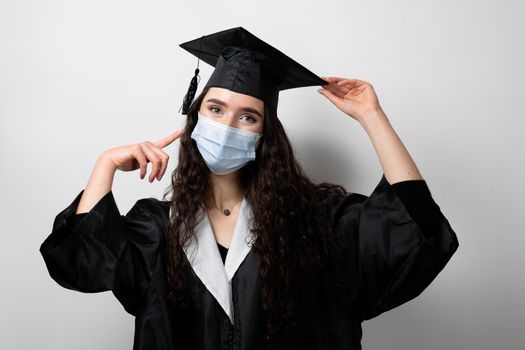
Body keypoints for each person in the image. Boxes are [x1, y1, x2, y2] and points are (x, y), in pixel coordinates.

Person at [39, 27, 459, 350]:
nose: (226, 126)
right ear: (195, 118)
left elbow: (414, 231)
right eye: (215, 109)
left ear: (263, 135)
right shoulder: (156, 228)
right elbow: (80, 264)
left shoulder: (317, 219)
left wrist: (372, 117)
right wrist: (105, 165)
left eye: (247, 117)